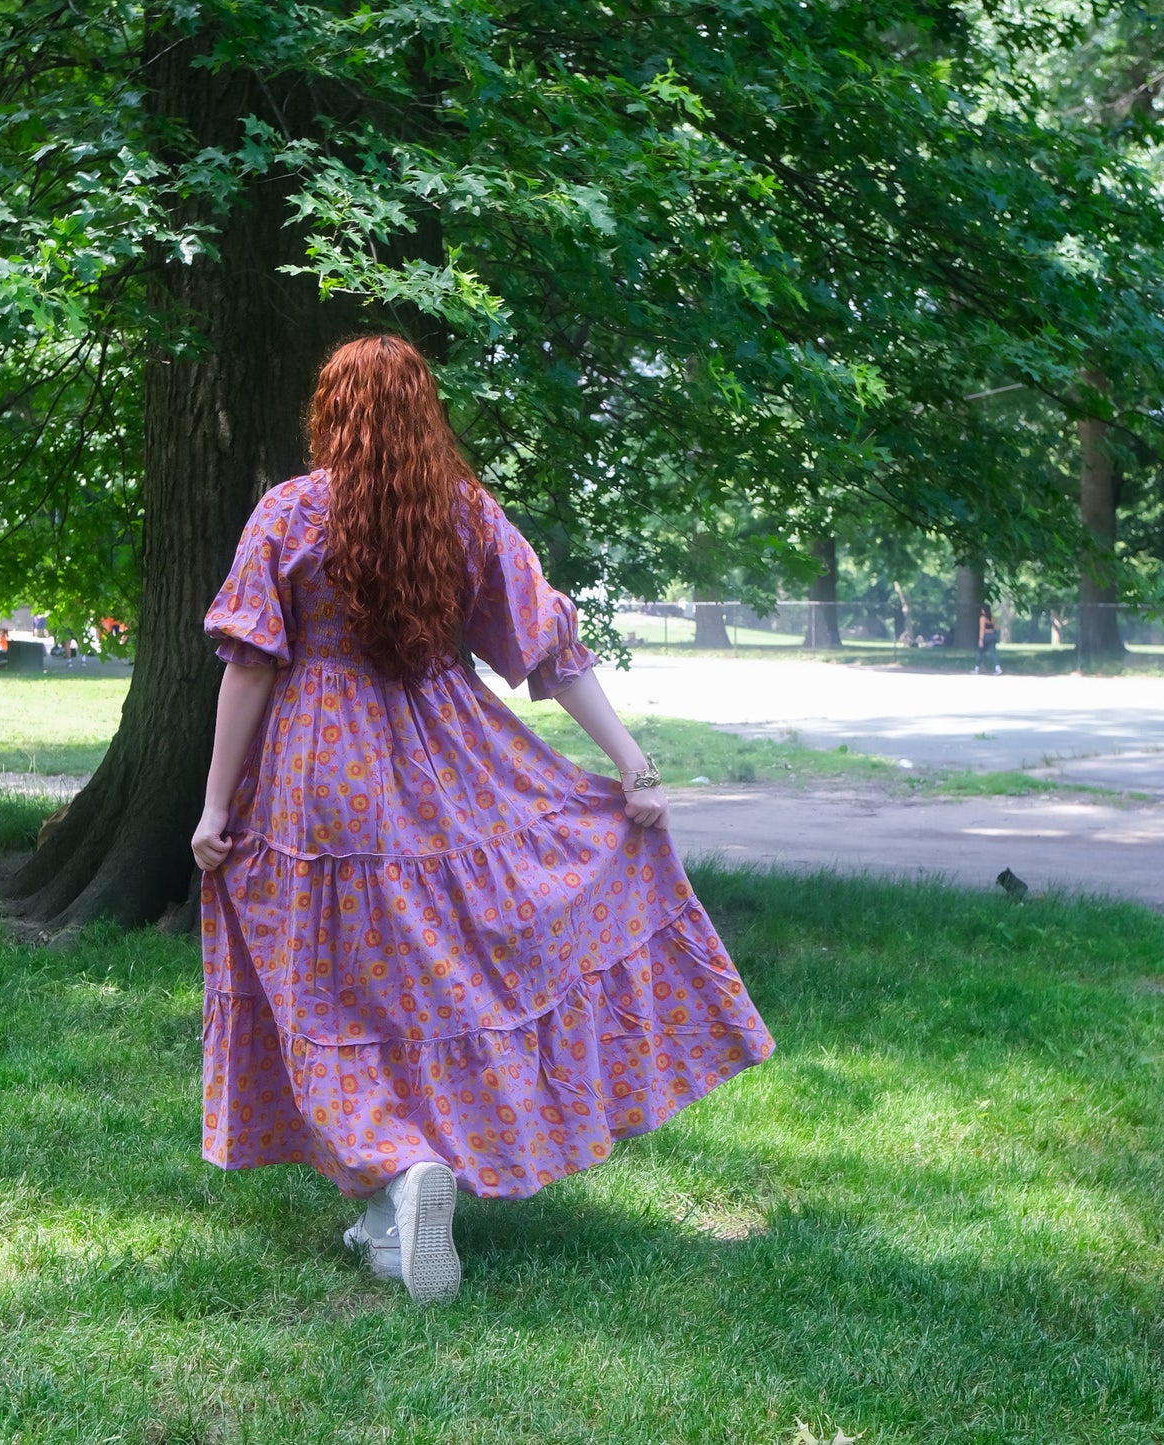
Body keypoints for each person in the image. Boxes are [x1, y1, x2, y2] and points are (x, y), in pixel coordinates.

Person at [191, 335, 774, 1305]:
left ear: (329, 413)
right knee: (434, 979)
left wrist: (215, 805)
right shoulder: (461, 515)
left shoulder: (289, 512)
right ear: (426, 413)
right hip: (448, 762)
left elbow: (250, 663)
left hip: (317, 772)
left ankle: (397, 1169)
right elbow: (550, 651)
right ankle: (402, 1184)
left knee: (328, 990)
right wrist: (630, 765)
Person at [974, 603, 1000, 674]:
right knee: (993, 653)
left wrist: (981, 639)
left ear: (984, 610)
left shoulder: (982, 618)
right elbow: (994, 628)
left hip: (986, 635)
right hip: (992, 635)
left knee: (980, 652)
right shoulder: (993, 618)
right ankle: (997, 667)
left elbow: (982, 629)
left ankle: (977, 668)